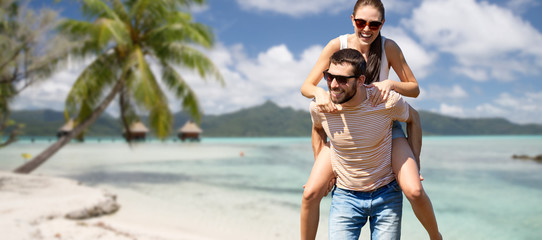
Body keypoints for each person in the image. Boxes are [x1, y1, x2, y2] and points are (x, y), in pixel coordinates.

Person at [300, 0, 441, 239]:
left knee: (413, 189)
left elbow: (414, 89)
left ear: (382, 24)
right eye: (361, 22)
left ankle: (435, 236)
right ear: (352, 19)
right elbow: (306, 86)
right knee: (312, 192)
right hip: (343, 124)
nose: (367, 28)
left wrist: (391, 83)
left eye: (374, 24)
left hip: (384, 121)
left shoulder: (388, 47)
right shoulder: (338, 45)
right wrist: (320, 93)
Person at [310, 48, 419, 239]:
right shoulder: (321, 105)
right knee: (309, 193)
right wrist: (324, 171)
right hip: (345, 196)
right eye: (329, 77)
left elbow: (414, 115)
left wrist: (415, 161)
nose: (334, 85)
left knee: (415, 190)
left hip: (386, 194)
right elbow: (317, 128)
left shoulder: (386, 101)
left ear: (361, 80)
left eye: (342, 79)